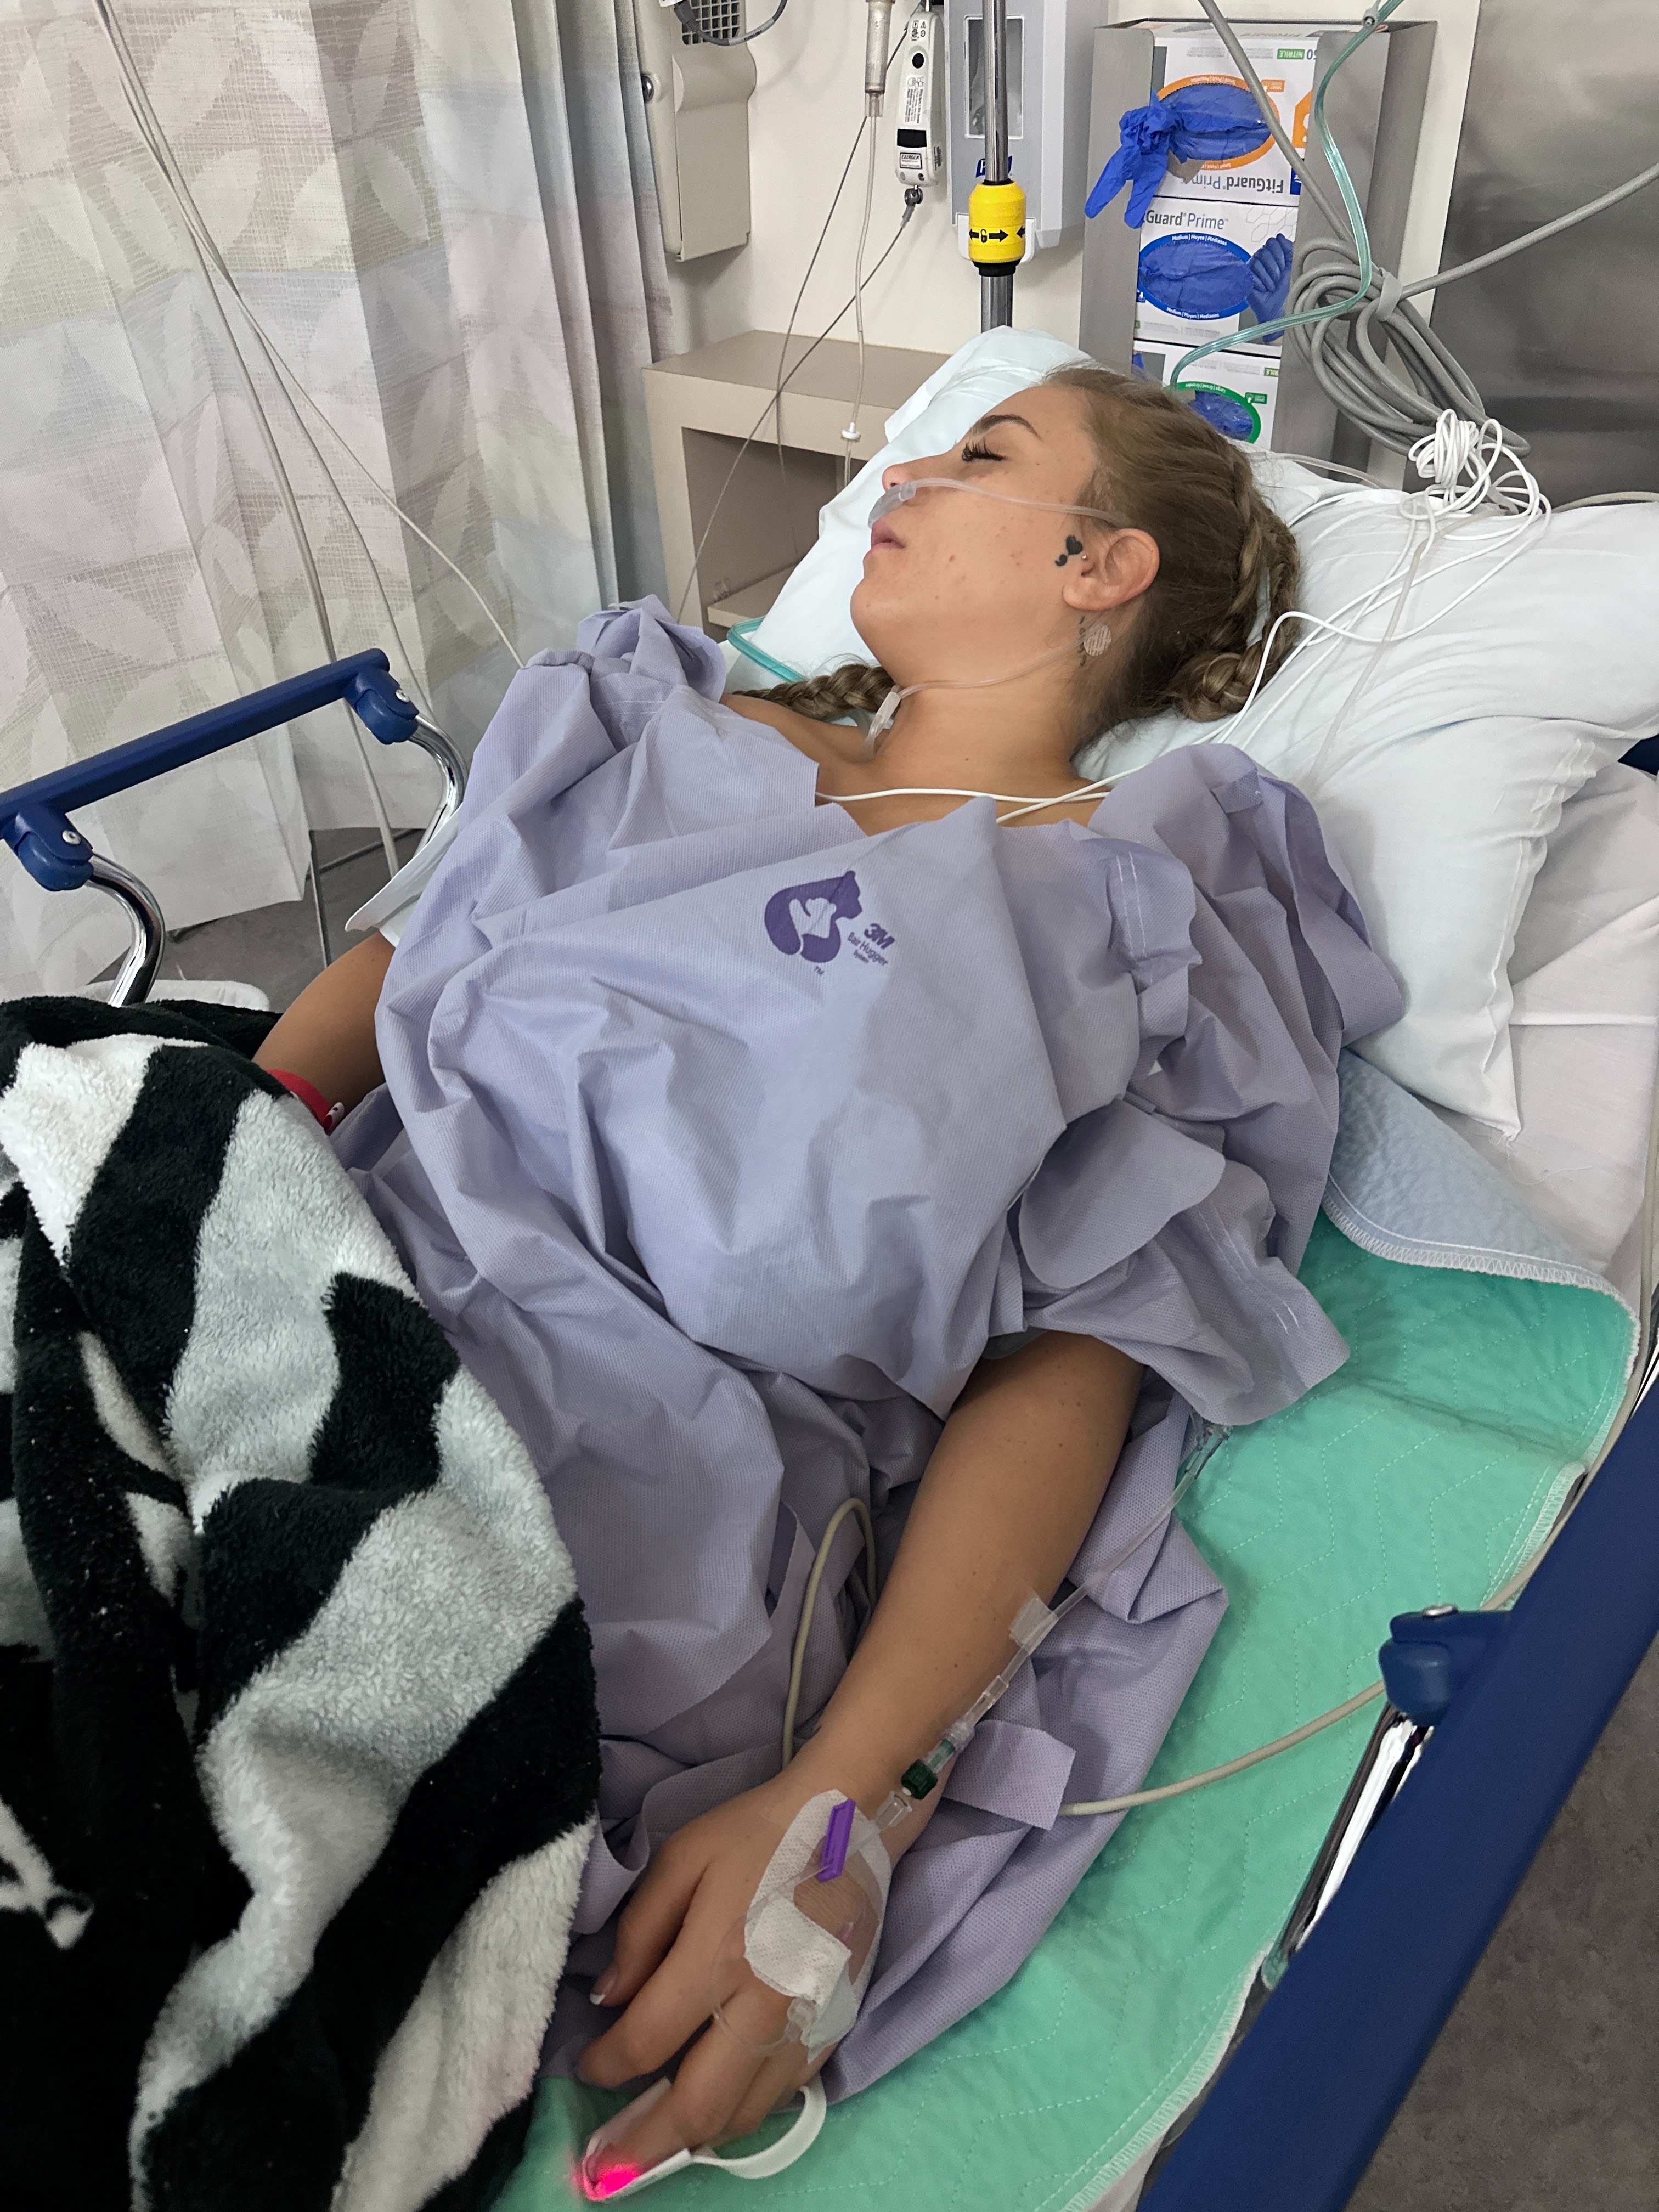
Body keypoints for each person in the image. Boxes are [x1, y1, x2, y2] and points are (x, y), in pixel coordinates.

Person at [256, 368, 1396, 2190]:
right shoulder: (645, 716)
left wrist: (842, 1799)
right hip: (298, 1276)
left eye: (982, 453)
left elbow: (1065, 1372)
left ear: (1102, 564)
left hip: (613, 1481)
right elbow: (400, 965)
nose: (904, 468)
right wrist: (185, 1174)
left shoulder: (1125, 908)